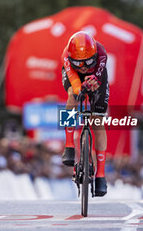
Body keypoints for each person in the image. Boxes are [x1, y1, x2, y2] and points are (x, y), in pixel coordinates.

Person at [61, 31, 109, 196]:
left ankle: (101, 175)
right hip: (74, 79)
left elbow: (95, 78)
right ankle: (68, 146)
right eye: (79, 63)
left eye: (88, 62)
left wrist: (91, 84)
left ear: (94, 55)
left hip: (96, 79)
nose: (84, 67)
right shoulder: (66, 56)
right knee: (72, 96)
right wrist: (78, 89)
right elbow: (75, 81)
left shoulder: (102, 54)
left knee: (97, 121)